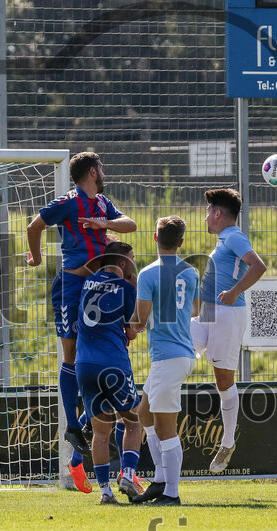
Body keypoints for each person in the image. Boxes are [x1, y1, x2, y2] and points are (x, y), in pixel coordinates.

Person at [26, 151, 136, 492]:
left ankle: (80, 457)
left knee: (104, 358)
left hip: (100, 288)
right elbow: (35, 225)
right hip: (73, 287)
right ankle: (73, 427)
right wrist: (38, 256)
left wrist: (104, 225)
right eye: (102, 167)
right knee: (72, 355)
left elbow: (130, 225)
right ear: (92, 171)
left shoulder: (102, 203)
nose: (104, 172)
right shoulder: (69, 202)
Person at [191, 188, 266, 473]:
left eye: (208, 211)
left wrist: (235, 291)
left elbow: (258, 266)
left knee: (223, 380)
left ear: (218, 213)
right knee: (177, 348)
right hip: (210, 312)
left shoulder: (234, 236)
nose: (206, 216)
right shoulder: (223, 240)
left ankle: (228, 441)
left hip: (228, 314)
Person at [129, 216, 199, 506]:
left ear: (155, 238)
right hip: (179, 355)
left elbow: (140, 320)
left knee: (165, 428)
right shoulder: (191, 272)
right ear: (181, 242)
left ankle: (171, 492)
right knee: (144, 412)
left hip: (168, 357)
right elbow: (194, 310)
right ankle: (160, 479)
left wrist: (123, 323)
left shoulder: (148, 274)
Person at [74, 241, 142, 504]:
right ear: (123, 264)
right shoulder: (126, 288)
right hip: (113, 363)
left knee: (100, 432)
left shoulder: (86, 284)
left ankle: (105, 492)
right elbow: (132, 331)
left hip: (84, 366)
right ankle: (127, 475)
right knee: (134, 422)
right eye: (132, 259)